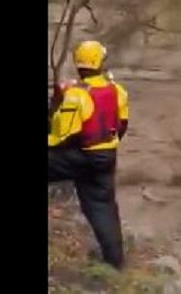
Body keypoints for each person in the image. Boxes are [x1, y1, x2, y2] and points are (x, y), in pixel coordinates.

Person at [48, 39, 129, 269]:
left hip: (81, 156)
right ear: (100, 63)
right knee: (103, 206)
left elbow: (63, 136)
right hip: (106, 157)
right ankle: (115, 263)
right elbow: (121, 126)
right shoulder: (118, 91)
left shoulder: (77, 95)